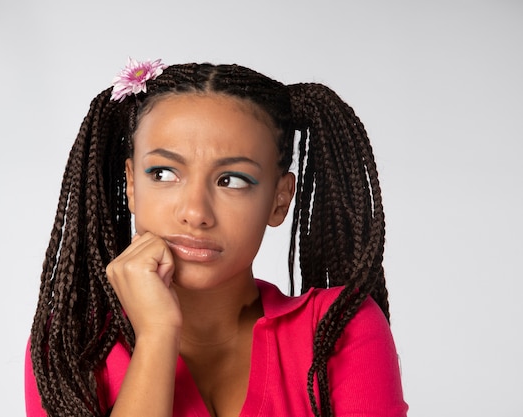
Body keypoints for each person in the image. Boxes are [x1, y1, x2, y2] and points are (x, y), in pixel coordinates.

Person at [25, 58, 408, 417]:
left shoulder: (340, 331)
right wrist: (157, 335)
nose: (195, 213)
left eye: (233, 180)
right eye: (163, 173)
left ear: (279, 199)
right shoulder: (70, 344)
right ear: (131, 186)